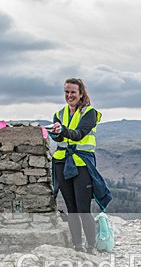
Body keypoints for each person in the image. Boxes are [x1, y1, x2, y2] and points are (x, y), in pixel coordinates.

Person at [47, 78, 112, 253]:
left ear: (81, 93)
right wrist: (55, 134)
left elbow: (79, 134)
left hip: (82, 164)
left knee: (83, 208)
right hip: (62, 162)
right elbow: (60, 138)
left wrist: (62, 131)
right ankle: (77, 246)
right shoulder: (59, 114)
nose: (69, 95)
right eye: (66, 92)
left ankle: (90, 246)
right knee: (72, 208)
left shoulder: (90, 113)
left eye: (73, 92)